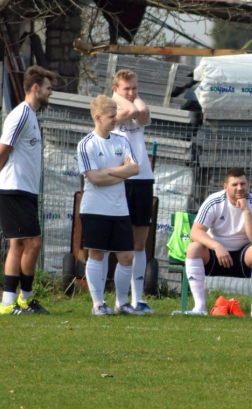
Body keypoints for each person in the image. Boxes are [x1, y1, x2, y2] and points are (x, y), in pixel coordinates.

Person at [0, 66, 55, 315]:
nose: (51, 92)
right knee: (34, 243)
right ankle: (24, 299)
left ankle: (9, 303)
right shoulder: (22, 114)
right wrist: (1, 185)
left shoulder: (32, 116)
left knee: (18, 244)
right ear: (36, 88)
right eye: (48, 88)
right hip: (15, 189)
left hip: (21, 190)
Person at [77, 95, 142, 316]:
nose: (115, 119)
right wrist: (120, 173)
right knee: (97, 254)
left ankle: (122, 304)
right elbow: (94, 179)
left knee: (126, 256)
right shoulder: (86, 144)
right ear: (98, 117)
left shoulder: (121, 141)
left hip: (119, 209)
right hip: (95, 209)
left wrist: (109, 172)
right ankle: (98, 304)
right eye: (111, 116)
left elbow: (135, 169)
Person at [185, 167, 252, 317]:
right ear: (225, 187)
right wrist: (217, 246)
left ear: (248, 184)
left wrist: (246, 211)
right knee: (193, 248)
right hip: (215, 256)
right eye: (235, 185)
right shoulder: (214, 201)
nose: (240, 188)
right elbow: (195, 232)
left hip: (243, 258)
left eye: (243, 184)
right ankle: (199, 307)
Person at [111, 69, 155, 314]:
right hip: (120, 180)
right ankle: (119, 300)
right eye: (126, 88)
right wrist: (118, 98)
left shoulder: (135, 105)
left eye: (135, 88)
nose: (132, 92)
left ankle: (139, 299)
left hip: (143, 179)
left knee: (140, 243)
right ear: (116, 90)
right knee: (118, 241)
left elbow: (143, 113)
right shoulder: (112, 110)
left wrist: (130, 96)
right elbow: (129, 111)